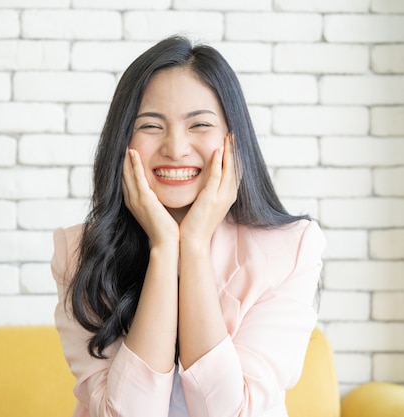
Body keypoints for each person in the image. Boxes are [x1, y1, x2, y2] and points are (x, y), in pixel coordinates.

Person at [51, 35, 326, 417]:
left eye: (199, 124)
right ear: (122, 140)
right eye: (150, 126)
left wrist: (193, 245)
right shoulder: (79, 251)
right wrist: (164, 248)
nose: (176, 148)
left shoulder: (290, 250)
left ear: (234, 140)